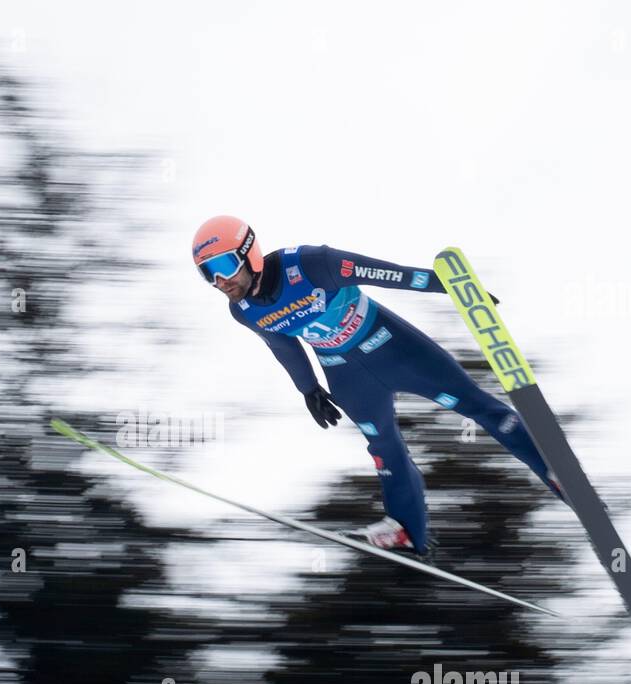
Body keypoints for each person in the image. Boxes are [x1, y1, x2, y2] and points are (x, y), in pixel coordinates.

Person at [191, 214, 561, 558]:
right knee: (382, 446)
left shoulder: (310, 264)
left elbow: (391, 275)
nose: (220, 281)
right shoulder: (244, 312)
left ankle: (551, 469)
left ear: (249, 253)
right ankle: (407, 527)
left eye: (224, 266)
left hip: (395, 347)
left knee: (474, 404)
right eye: (208, 273)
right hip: (346, 374)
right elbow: (282, 345)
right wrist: (308, 389)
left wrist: (454, 289)